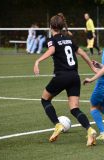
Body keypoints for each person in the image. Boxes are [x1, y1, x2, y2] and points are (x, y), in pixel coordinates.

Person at [33, 14, 97, 146]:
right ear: (62, 26)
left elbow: (51, 50)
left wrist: (38, 61)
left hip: (61, 76)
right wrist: (92, 67)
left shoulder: (52, 40)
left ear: (51, 26)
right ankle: (90, 130)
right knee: (74, 109)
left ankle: (57, 125)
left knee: (45, 99)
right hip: (74, 77)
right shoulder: (69, 39)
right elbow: (83, 53)